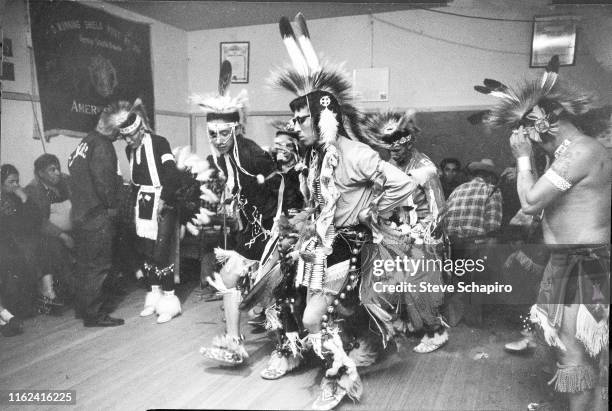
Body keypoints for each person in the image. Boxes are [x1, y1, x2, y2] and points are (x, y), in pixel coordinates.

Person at [267, 14, 427, 410]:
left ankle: (340, 374)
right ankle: (337, 367)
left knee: (312, 318)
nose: (295, 125)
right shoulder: (318, 156)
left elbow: (404, 183)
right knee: (310, 309)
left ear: (324, 118)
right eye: (295, 118)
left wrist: (371, 210)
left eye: (302, 119)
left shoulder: (355, 154)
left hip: (348, 247)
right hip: (322, 245)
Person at [474, 55, 610, 411]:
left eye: (526, 127)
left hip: (582, 267)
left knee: (576, 358)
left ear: (548, 120)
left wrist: (522, 158)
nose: (524, 136)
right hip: (568, 264)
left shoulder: (581, 151)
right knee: (568, 352)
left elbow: (531, 202)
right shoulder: (568, 154)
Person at [196, 60, 283, 365]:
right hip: (252, 231)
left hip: (275, 230)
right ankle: (234, 343)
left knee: (270, 292)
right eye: (212, 133)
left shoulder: (251, 153)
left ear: (235, 129)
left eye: (223, 133)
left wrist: (280, 230)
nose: (218, 139)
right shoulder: (219, 157)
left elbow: (281, 186)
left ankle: (286, 349)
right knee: (228, 278)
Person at [361, 110, 448, 352]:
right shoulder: (386, 167)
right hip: (393, 235)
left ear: (409, 138)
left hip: (421, 236)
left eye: (398, 140)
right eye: (387, 143)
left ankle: (436, 331)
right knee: (388, 282)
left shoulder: (425, 167)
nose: (393, 147)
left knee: (417, 282)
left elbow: (438, 210)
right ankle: (408, 324)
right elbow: (379, 201)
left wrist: (418, 234)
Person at [106, 98, 183, 324]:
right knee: (147, 251)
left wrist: (165, 199)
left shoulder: (160, 143)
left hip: (164, 201)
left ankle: (169, 301)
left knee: (161, 252)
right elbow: (137, 182)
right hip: (144, 202)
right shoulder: (131, 150)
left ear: (141, 129)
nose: (128, 140)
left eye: (131, 135)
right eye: (125, 137)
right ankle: (154, 295)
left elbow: (172, 174)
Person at [68, 105, 124, 327]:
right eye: (119, 130)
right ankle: (95, 315)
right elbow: (105, 183)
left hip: (80, 214)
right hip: (96, 215)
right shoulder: (103, 145)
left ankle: (83, 310)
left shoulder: (86, 141)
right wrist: (113, 208)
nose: (120, 135)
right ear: (112, 129)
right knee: (98, 265)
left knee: (84, 264)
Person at [442, 158, 503, 325]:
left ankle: (453, 319)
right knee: (477, 281)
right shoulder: (492, 190)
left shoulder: (457, 190)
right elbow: (493, 224)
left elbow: (445, 219)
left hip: (452, 244)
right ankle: (473, 321)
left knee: (456, 280)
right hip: (475, 244)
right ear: (489, 177)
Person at [25, 154, 74, 313]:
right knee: (55, 247)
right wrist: (62, 235)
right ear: (40, 173)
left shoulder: (65, 182)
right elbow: (39, 221)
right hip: (50, 236)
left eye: (58, 168)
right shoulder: (33, 191)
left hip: (74, 228)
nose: (57, 173)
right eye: (52, 170)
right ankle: (70, 292)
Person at [0, 164, 42, 319]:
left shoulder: (19, 196)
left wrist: (24, 199)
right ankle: (19, 309)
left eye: (17, 181)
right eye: (11, 182)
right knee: (17, 259)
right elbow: (13, 225)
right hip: (6, 242)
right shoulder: (3, 201)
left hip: (20, 239)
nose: (16, 185)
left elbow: (36, 218)